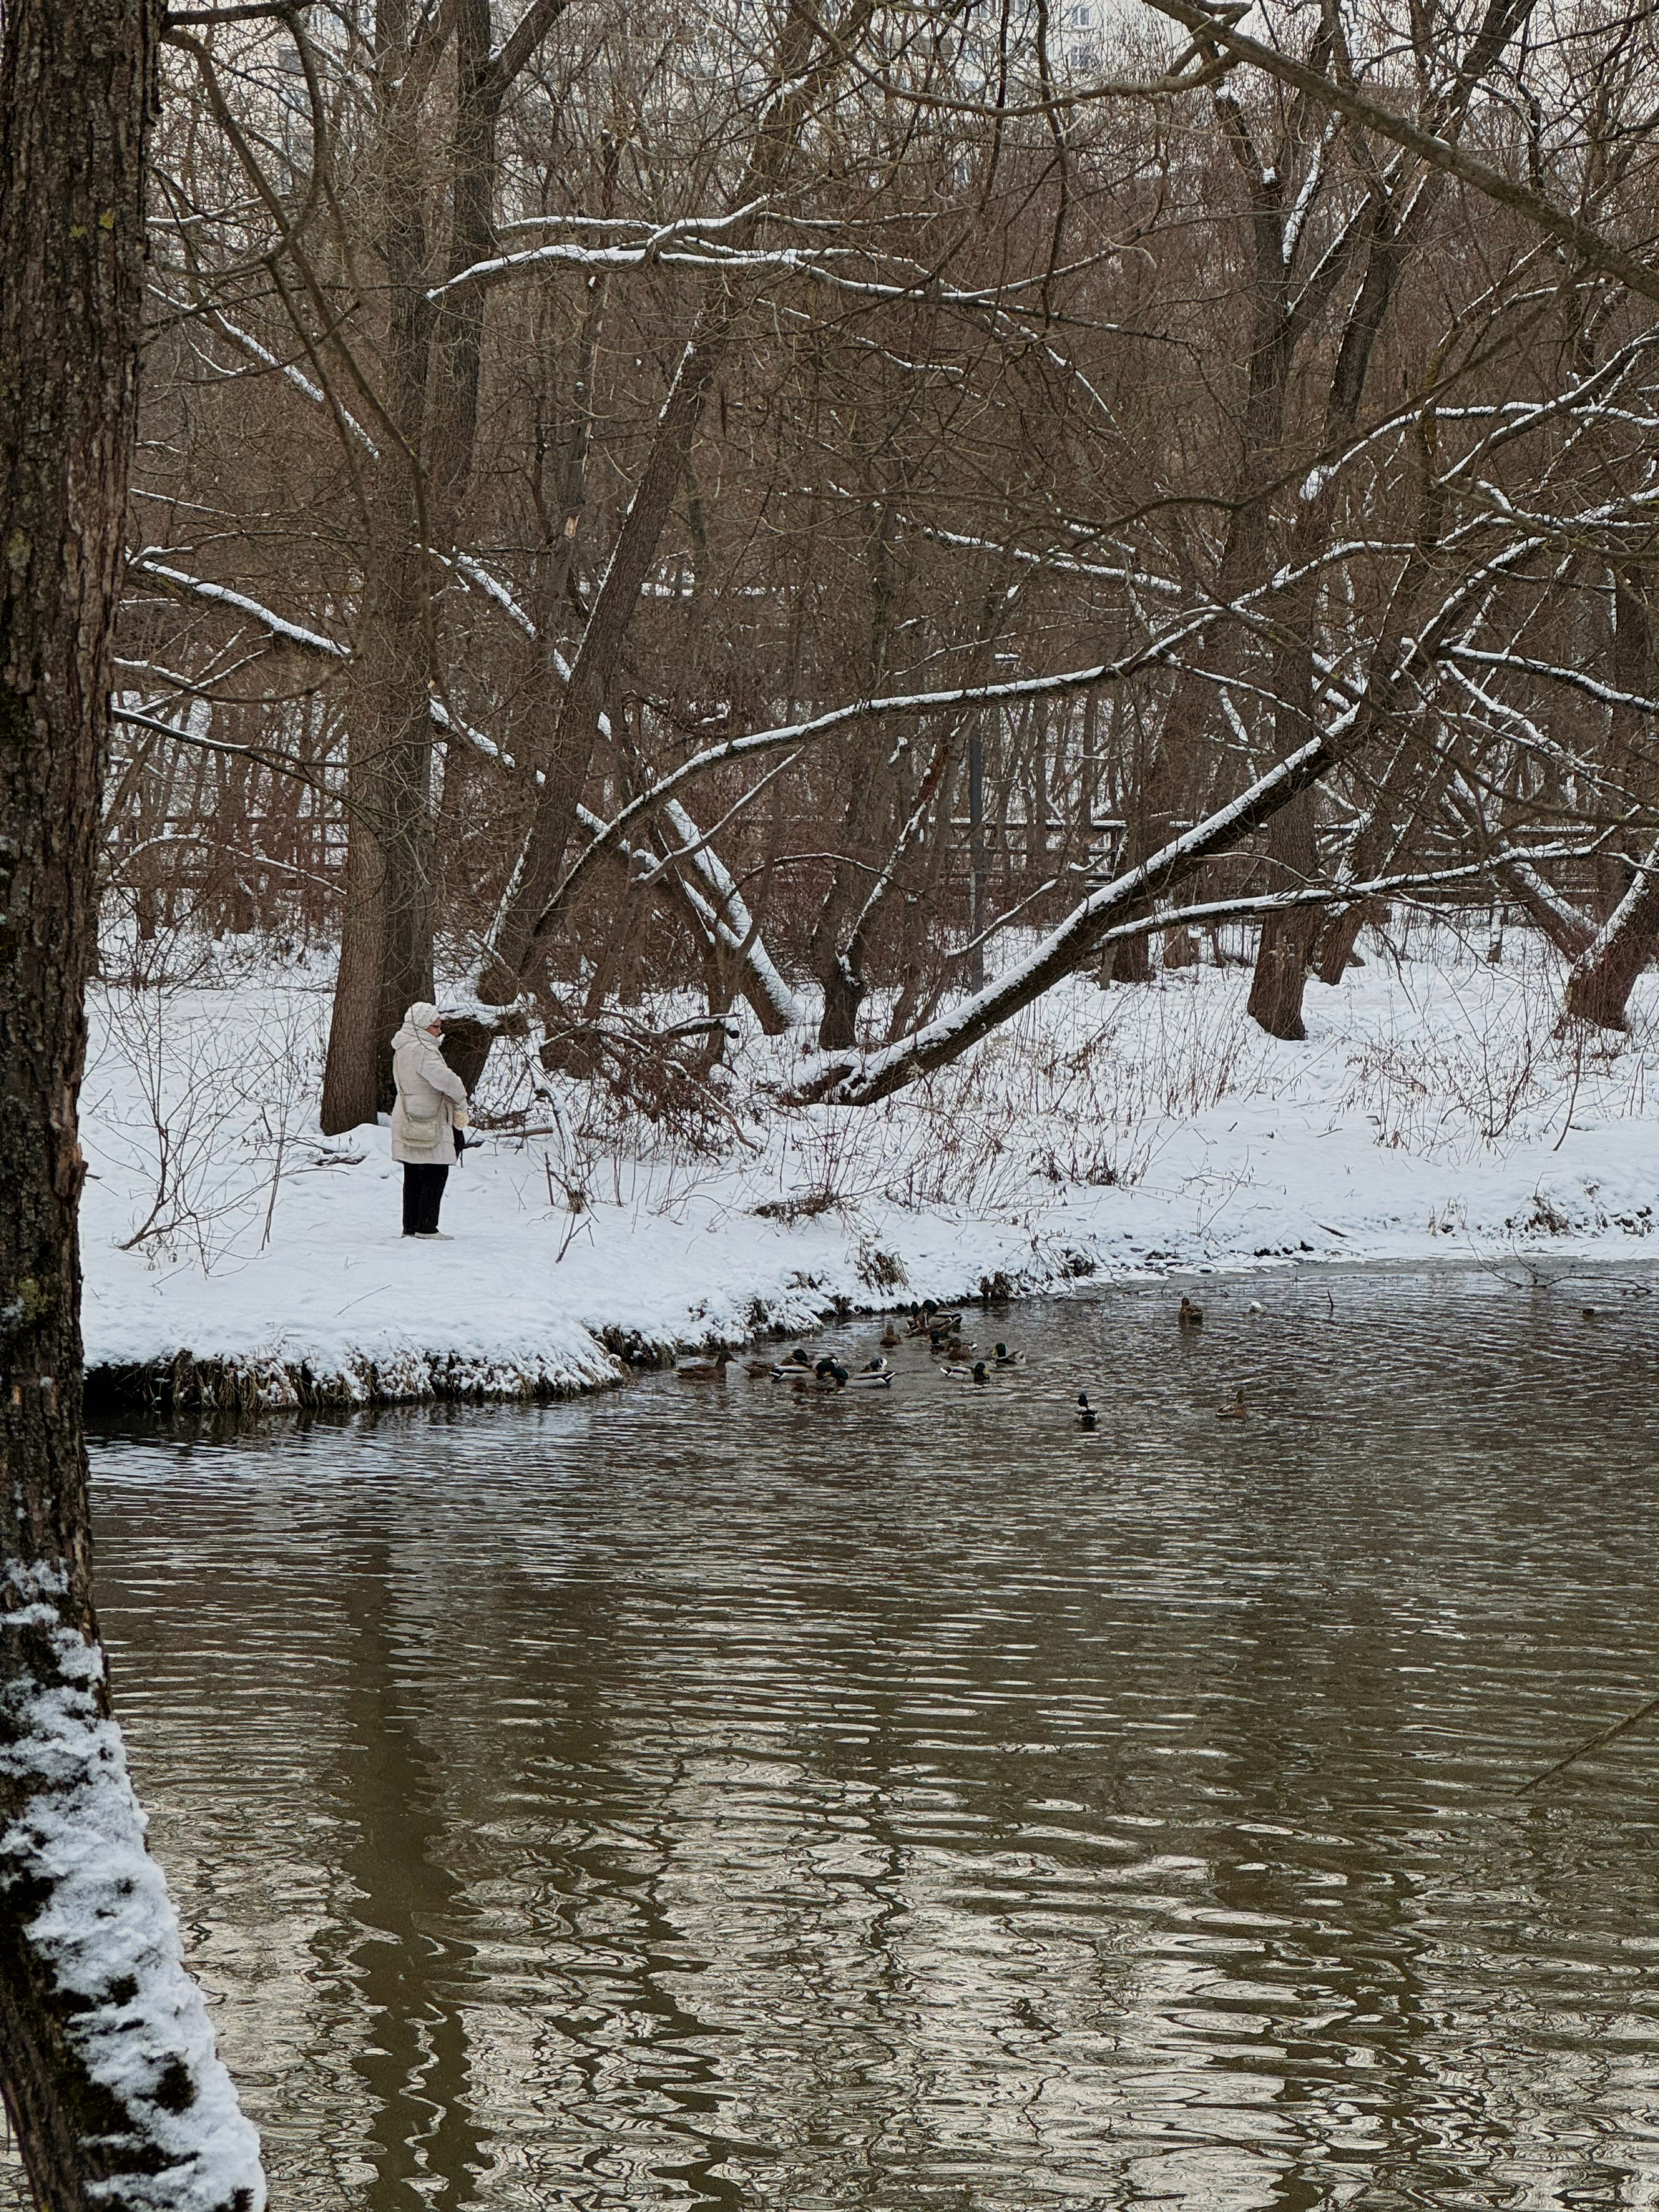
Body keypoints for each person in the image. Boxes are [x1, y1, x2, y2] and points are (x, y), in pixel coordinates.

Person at [390, 1002, 470, 1237]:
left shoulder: (403, 1047)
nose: (439, 1032)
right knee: (435, 1171)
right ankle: (426, 1226)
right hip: (429, 1117)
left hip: (409, 1115)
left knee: (414, 1172)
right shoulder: (422, 1050)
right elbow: (447, 1081)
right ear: (423, 1027)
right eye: (436, 1027)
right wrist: (461, 1101)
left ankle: (411, 1225)